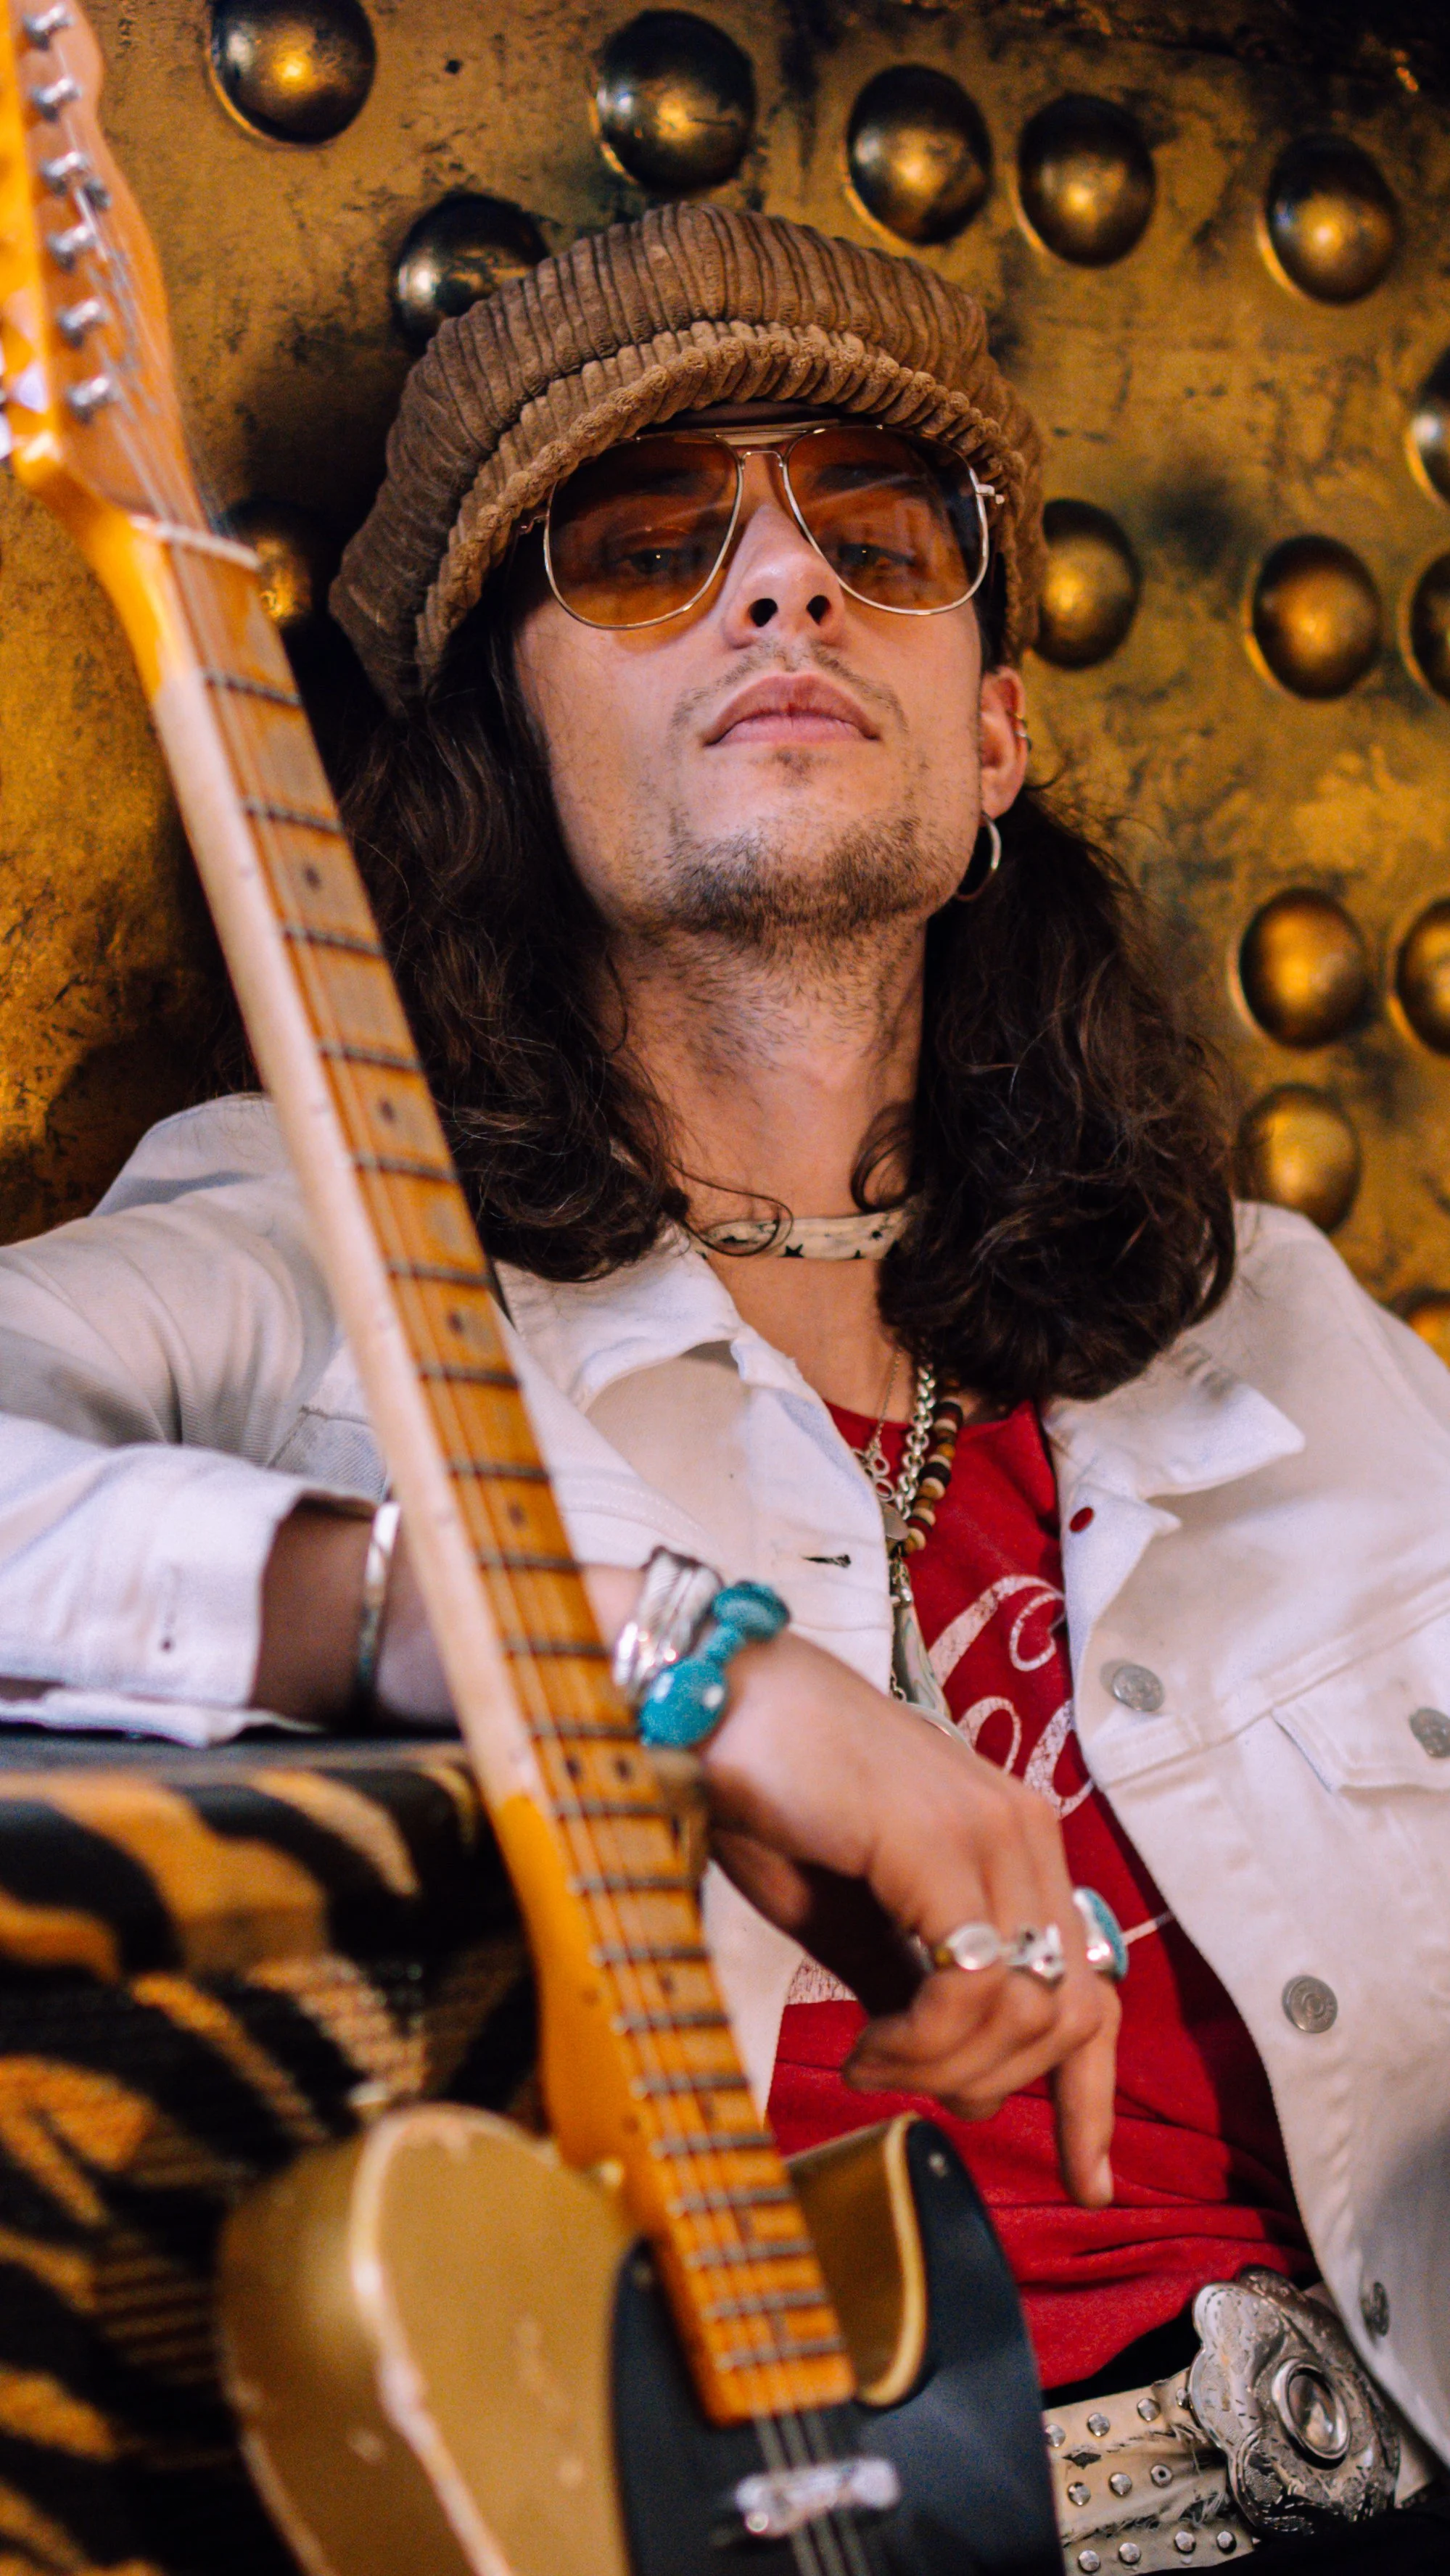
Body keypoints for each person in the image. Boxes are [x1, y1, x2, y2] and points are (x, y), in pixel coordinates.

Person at [0, 203, 1446, 2567]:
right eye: (651, 545)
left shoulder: (1266, 1313)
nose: (781, 589)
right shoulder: (313, 1250)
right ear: (509, 750)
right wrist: (638, 1655)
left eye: (877, 541)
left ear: (997, 725)